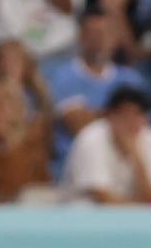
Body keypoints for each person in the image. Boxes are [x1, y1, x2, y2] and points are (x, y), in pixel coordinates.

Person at [64, 86, 151, 205]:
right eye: (124, 114)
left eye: (137, 114)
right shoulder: (91, 137)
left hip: (136, 215)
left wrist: (135, 155)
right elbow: (101, 195)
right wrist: (138, 208)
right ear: (109, 115)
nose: (130, 121)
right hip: (86, 215)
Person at [50, 9, 136, 153]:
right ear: (81, 37)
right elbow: (79, 126)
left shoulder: (130, 79)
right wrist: (118, 116)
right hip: (76, 161)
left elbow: (138, 126)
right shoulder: (63, 76)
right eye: (93, 33)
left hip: (121, 160)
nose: (100, 39)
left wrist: (95, 114)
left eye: (106, 33)